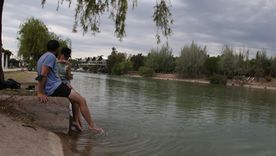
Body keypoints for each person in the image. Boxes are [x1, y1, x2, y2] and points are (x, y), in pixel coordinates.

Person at [36, 40, 103, 133]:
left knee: (75, 100)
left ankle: (76, 121)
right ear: (58, 49)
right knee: (82, 100)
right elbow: (43, 75)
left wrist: (42, 91)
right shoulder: (51, 57)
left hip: (55, 86)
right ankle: (92, 126)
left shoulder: (43, 57)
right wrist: (40, 92)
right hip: (55, 88)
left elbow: (45, 74)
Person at [57, 47, 82, 131]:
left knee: (77, 100)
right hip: (59, 84)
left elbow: (68, 77)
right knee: (77, 99)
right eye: (66, 56)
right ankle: (77, 122)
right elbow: (55, 77)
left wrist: (69, 69)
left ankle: (76, 121)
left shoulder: (67, 64)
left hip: (67, 83)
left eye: (68, 57)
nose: (67, 58)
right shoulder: (55, 62)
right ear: (61, 55)